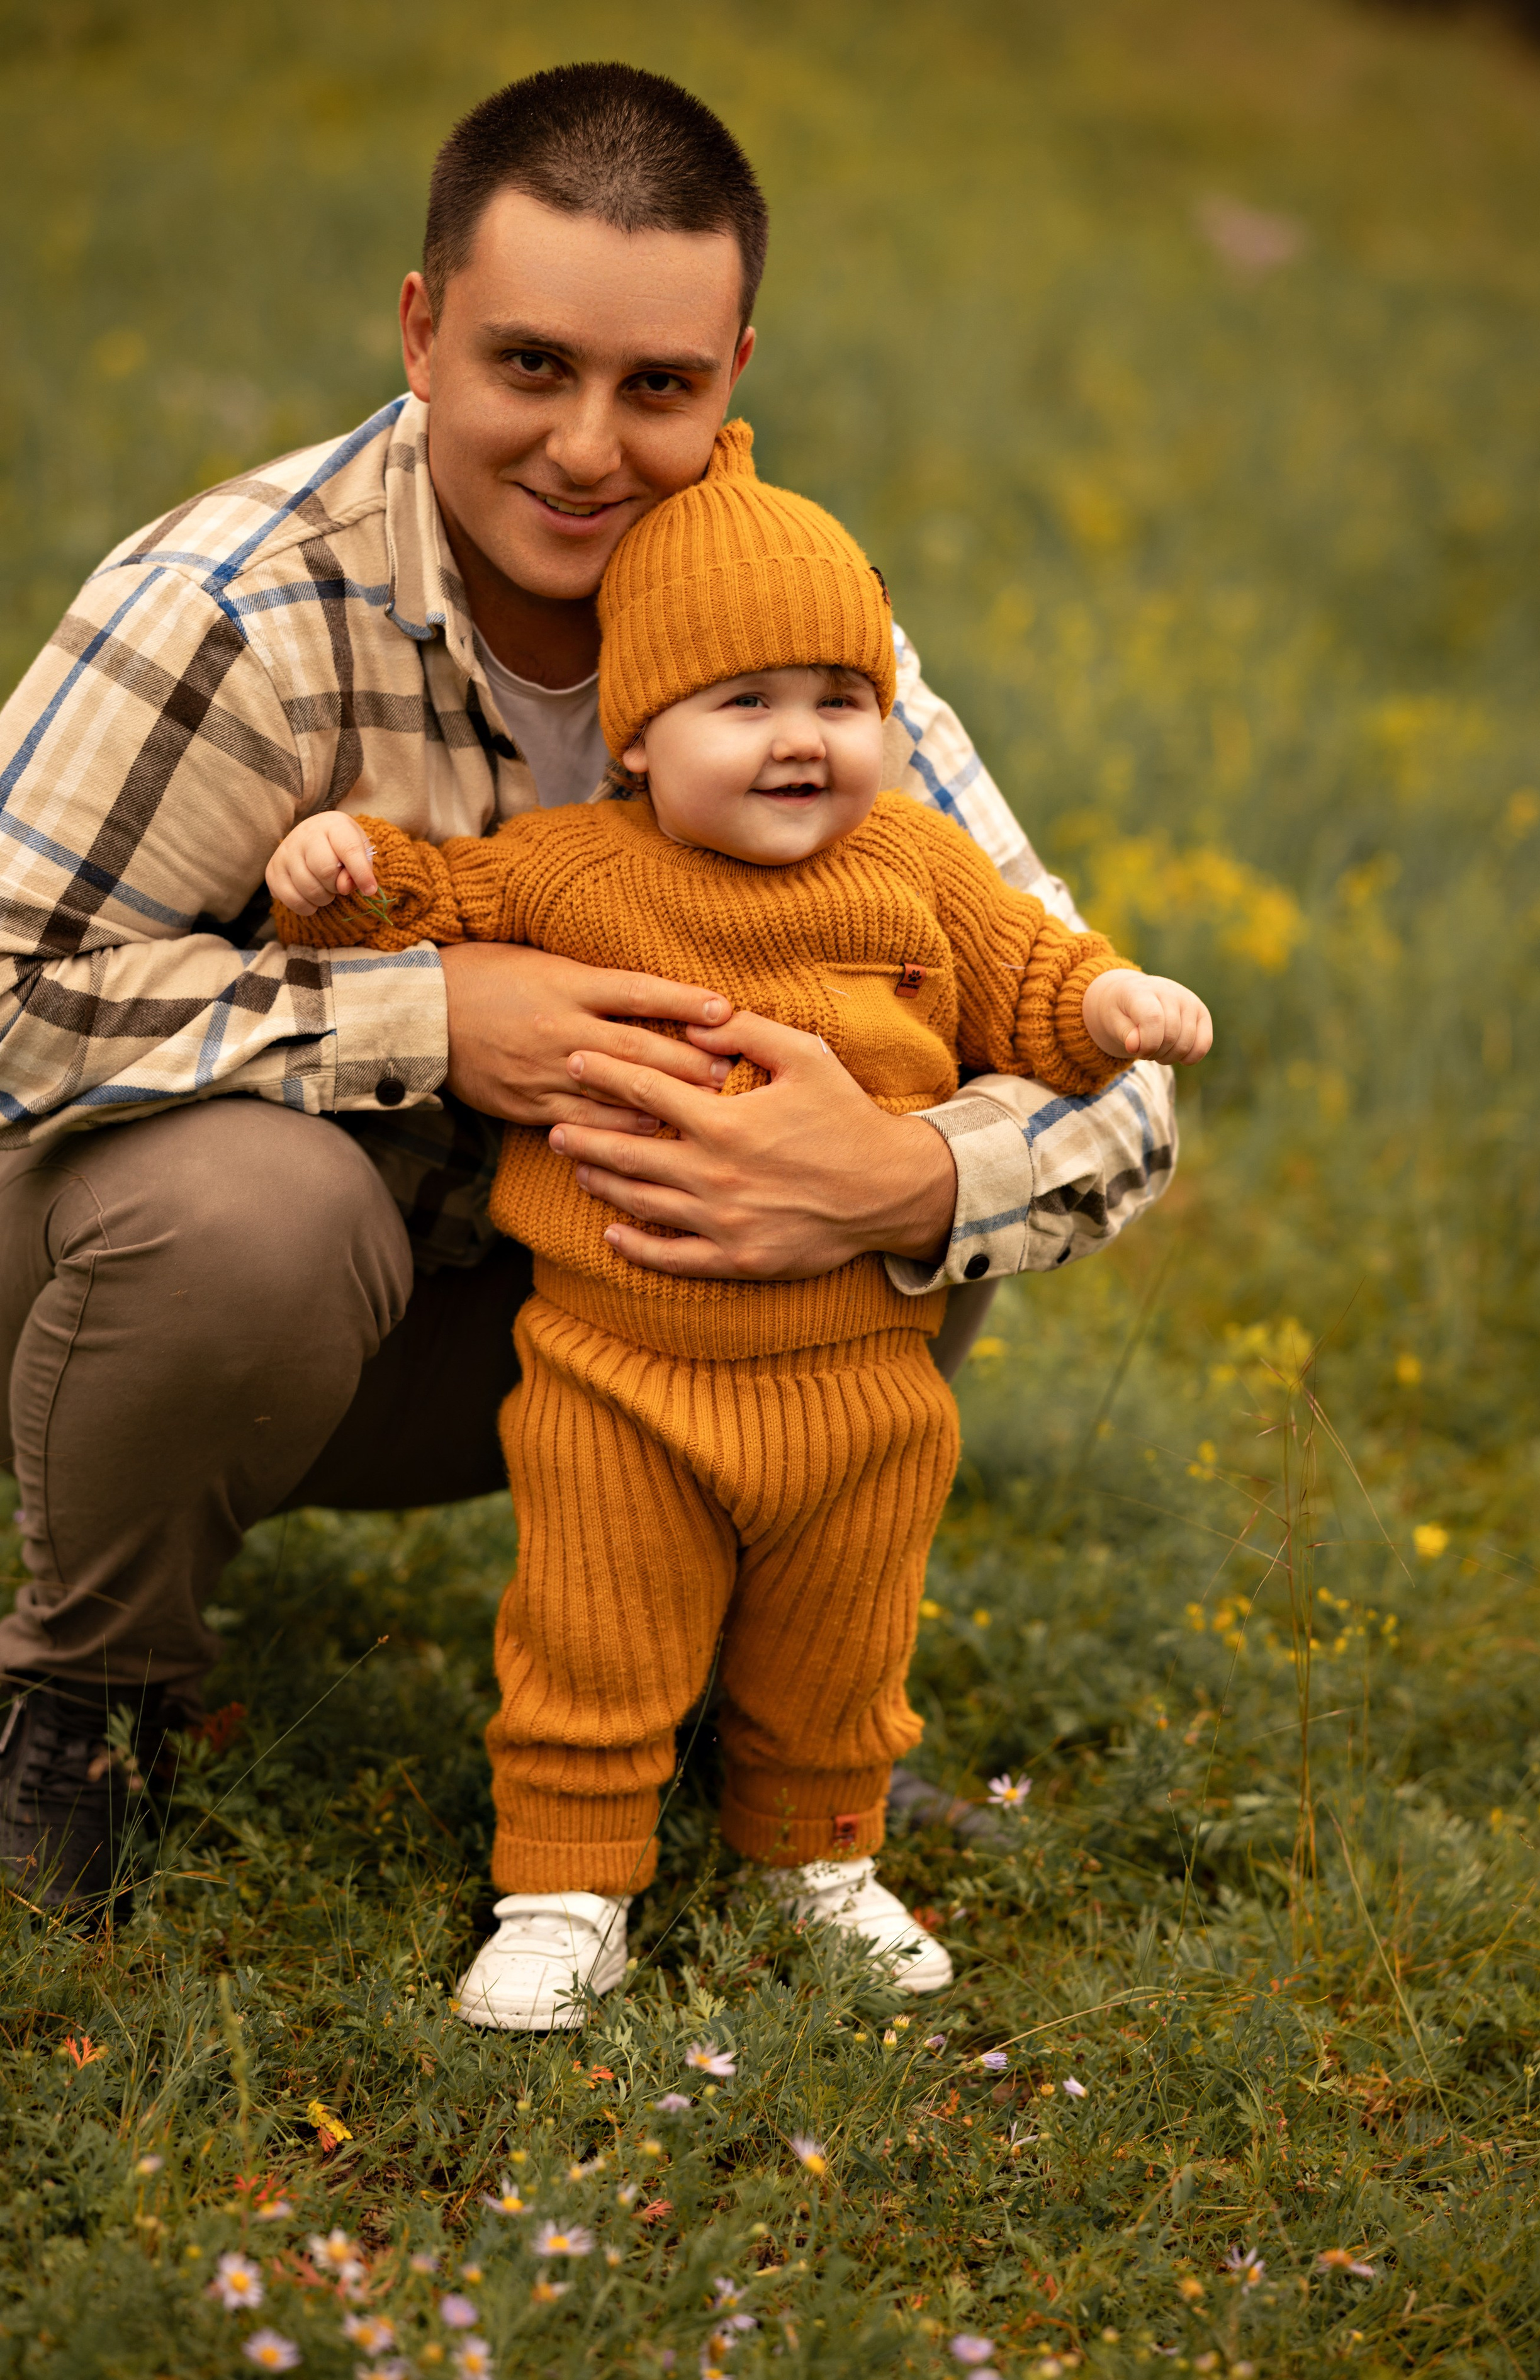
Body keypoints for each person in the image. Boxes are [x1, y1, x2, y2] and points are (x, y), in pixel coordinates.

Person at [0, 63, 1177, 1911]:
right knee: (254, 1211)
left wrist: (912, 1181)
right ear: (423, 328)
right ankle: (95, 1686)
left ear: (733, 377)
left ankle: (752, 1701)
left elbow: (1078, 1028)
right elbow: (11, 994)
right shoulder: (237, 605)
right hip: (202, 1304)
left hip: (600, 1318)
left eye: (660, 387)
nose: (586, 447)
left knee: (883, 1100)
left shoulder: (801, 649)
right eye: (530, 365)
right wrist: (434, 1014)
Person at [267, 423, 1211, 2027]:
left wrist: (1109, 998)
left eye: (839, 700)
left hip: (859, 1379)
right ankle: (566, 1885)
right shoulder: (572, 866)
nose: (801, 740)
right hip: (618, 1369)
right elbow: (435, 909)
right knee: (593, 1638)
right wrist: (341, 879)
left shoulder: (911, 862)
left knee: (840, 1648)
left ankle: (816, 1857)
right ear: (635, 738)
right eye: (744, 703)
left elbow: (1026, 969)